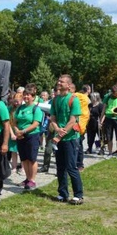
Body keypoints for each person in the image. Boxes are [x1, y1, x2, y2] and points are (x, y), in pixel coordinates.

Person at [49, 74, 84, 205]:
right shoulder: (55, 100)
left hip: (71, 138)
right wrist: (57, 128)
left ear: (68, 85)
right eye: (58, 81)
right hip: (59, 138)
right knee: (60, 167)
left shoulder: (73, 99)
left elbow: (72, 120)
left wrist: (59, 135)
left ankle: (78, 195)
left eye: (61, 81)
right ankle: (63, 194)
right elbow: (52, 117)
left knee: (71, 167)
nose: (58, 83)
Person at [12, 83, 43, 190]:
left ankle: (32, 180)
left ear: (33, 97)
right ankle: (27, 178)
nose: (26, 97)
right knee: (24, 158)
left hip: (32, 136)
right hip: (21, 136)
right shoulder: (20, 108)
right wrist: (17, 131)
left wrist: (23, 131)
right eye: (24, 95)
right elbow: (14, 121)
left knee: (32, 158)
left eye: (28, 95)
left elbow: (35, 123)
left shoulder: (36, 109)